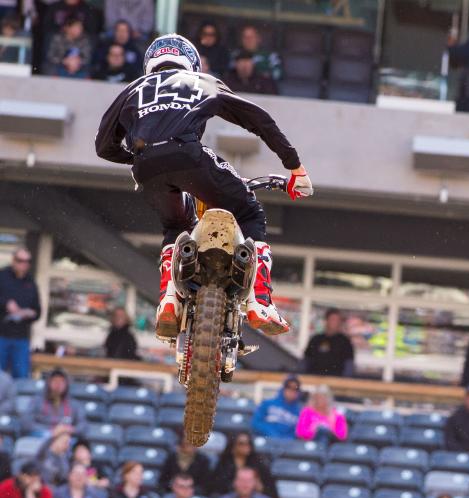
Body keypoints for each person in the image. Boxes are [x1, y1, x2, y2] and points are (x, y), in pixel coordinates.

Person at [96, 33, 311, 338]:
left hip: (146, 166)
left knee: (175, 225)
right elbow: (258, 119)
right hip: (188, 154)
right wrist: (294, 167)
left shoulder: (133, 89)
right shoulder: (201, 81)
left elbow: (103, 147)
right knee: (250, 213)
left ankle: (169, 297)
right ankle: (259, 300)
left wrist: (146, 159)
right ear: (191, 62)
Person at [209, 432, 278, 498]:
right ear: (233, 446)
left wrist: (260, 489)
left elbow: (272, 492)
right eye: (241, 444)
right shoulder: (223, 465)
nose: (246, 446)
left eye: (248, 443)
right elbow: (215, 489)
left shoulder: (259, 466)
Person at [25, 368, 86, 440]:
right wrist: (51, 431)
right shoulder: (37, 400)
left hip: (65, 437)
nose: (58, 384)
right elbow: (26, 422)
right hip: (42, 436)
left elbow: (83, 425)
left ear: (66, 384)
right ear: (49, 383)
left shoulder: (74, 404)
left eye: (61, 381)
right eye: (55, 381)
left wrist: (69, 429)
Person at [303, 308, 354, 376]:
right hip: (314, 378)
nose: (336, 323)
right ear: (326, 320)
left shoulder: (345, 342)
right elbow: (306, 360)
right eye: (333, 319)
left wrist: (345, 381)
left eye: (338, 320)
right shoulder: (316, 340)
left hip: (336, 380)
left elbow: (349, 364)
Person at [252, 375, 305, 440]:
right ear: (283, 388)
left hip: (287, 446)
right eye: (288, 387)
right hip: (265, 440)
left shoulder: (300, 412)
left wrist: (286, 439)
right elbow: (256, 422)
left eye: (295, 389)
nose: (291, 391)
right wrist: (270, 432)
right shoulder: (268, 403)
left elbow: (298, 432)